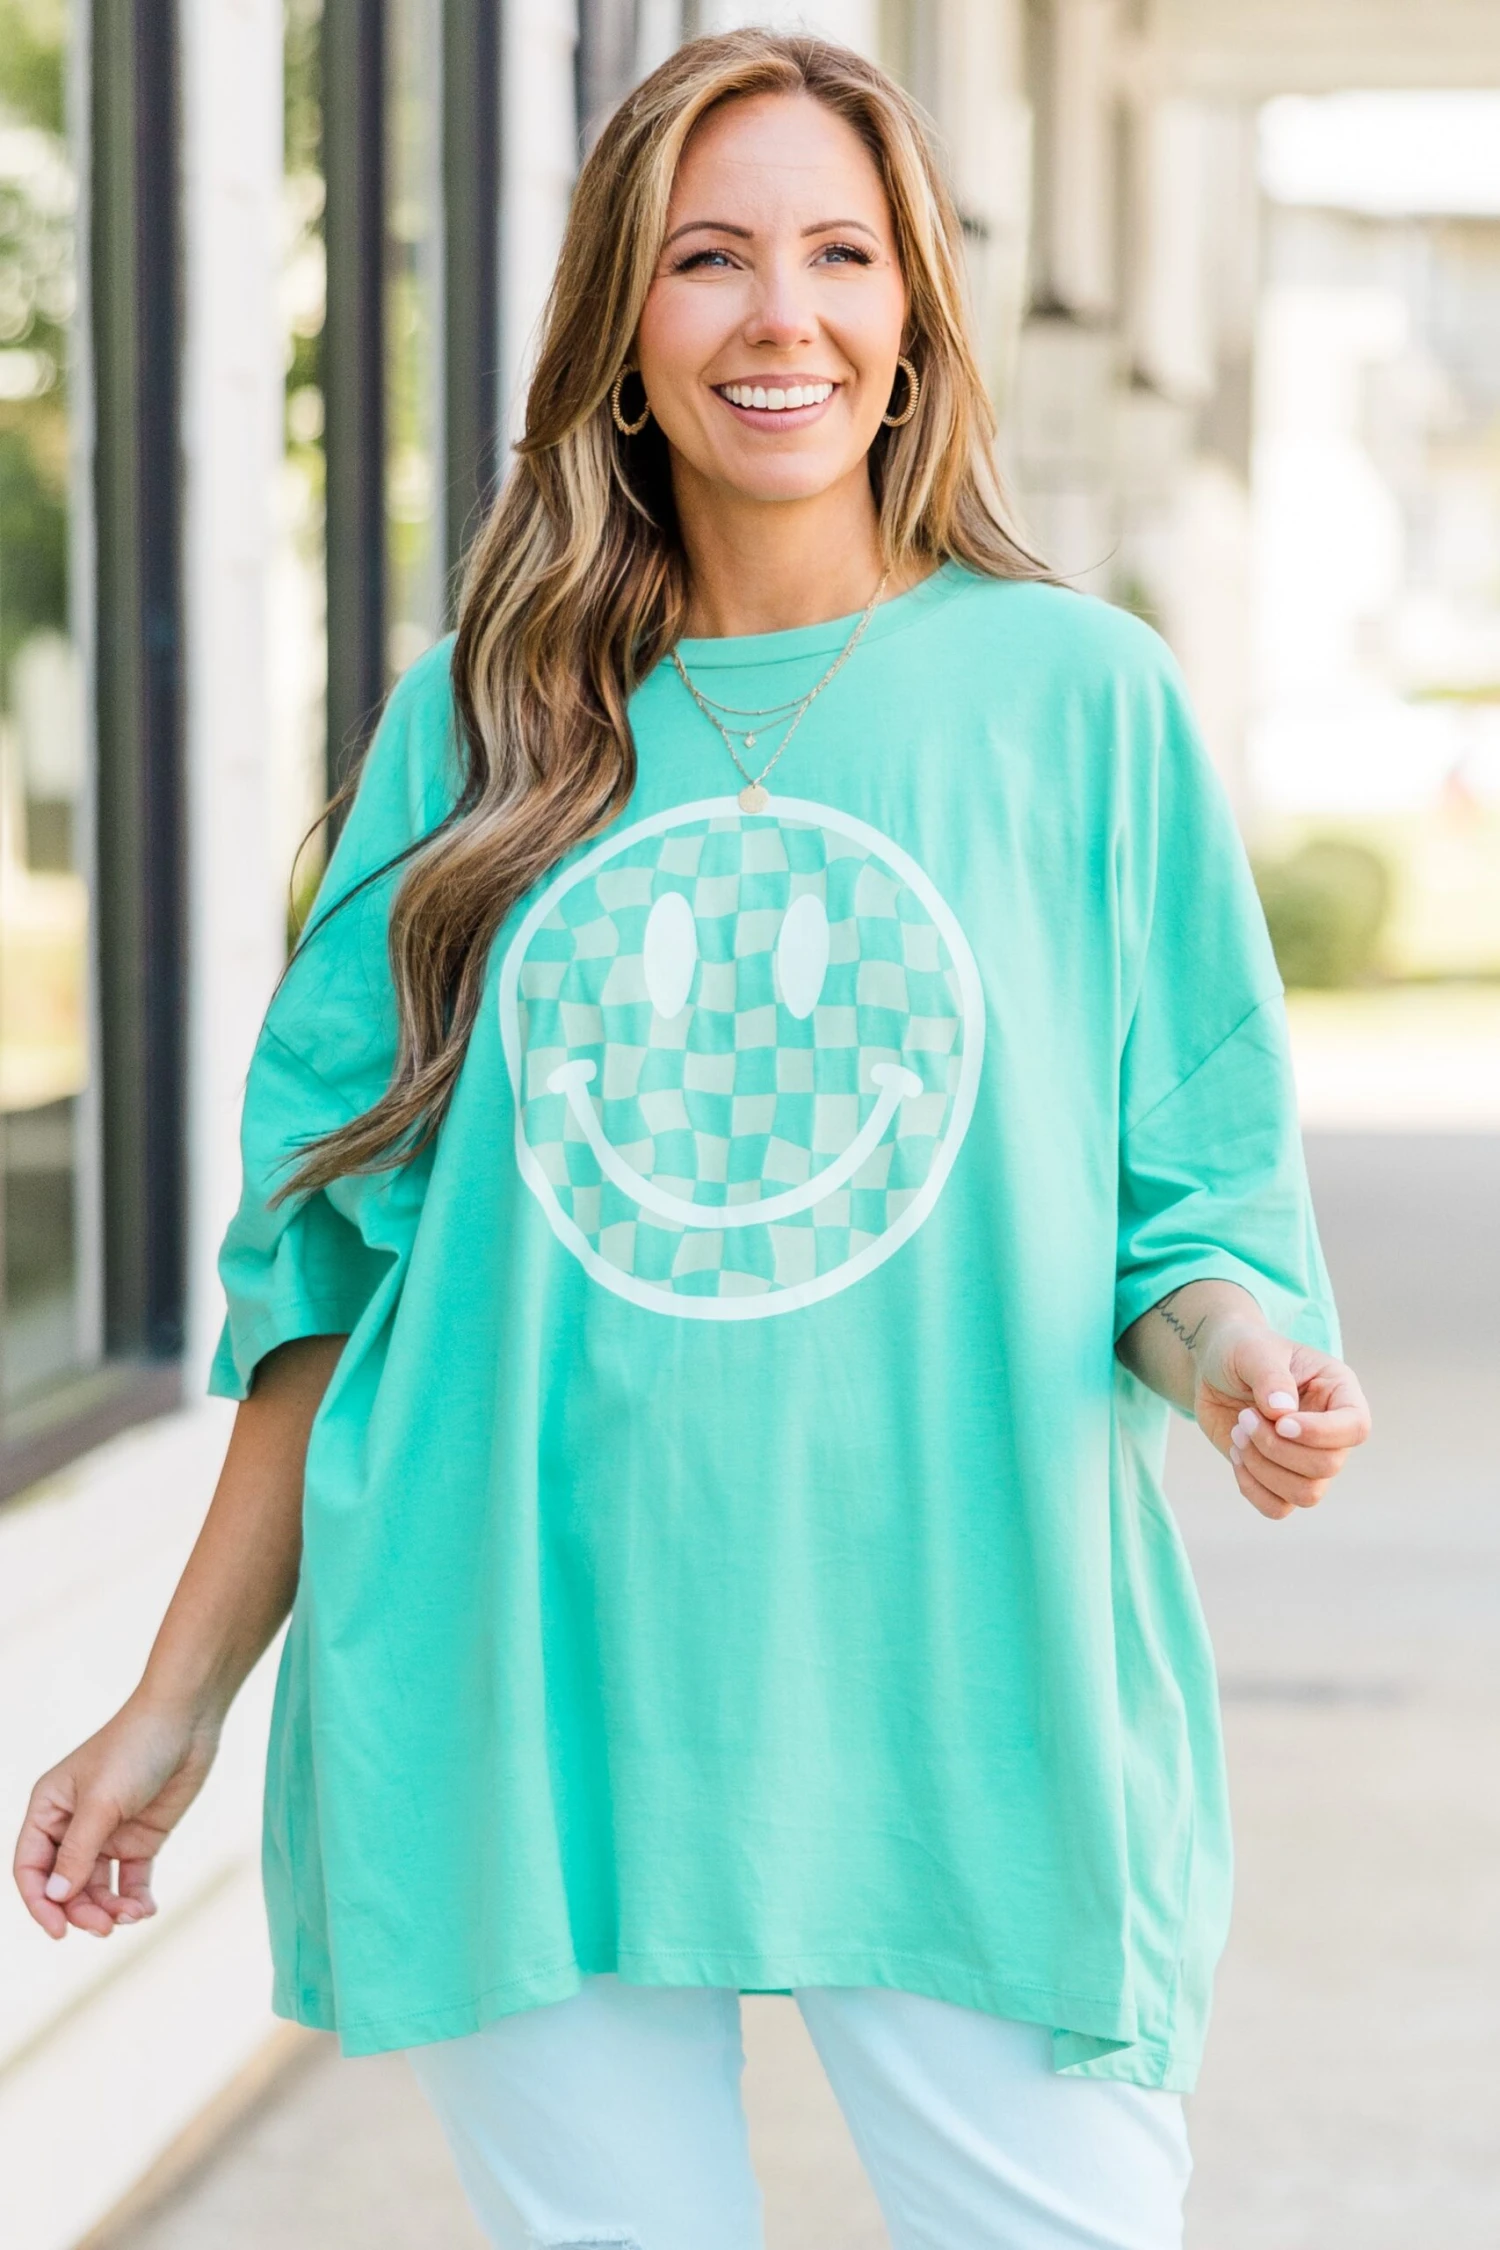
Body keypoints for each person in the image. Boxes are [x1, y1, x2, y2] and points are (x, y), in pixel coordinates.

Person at [13, 30, 1371, 2250]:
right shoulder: (475, 725)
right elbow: (327, 1277)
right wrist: (176, 1705)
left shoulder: (1079, 701)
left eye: (841, 254)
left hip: (958, 1681)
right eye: (709, 257)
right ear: (624, 330)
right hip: (523, 1674)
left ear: (913, 313)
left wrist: (1239, 1363)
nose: (781, 316)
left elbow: (1181, 1202)